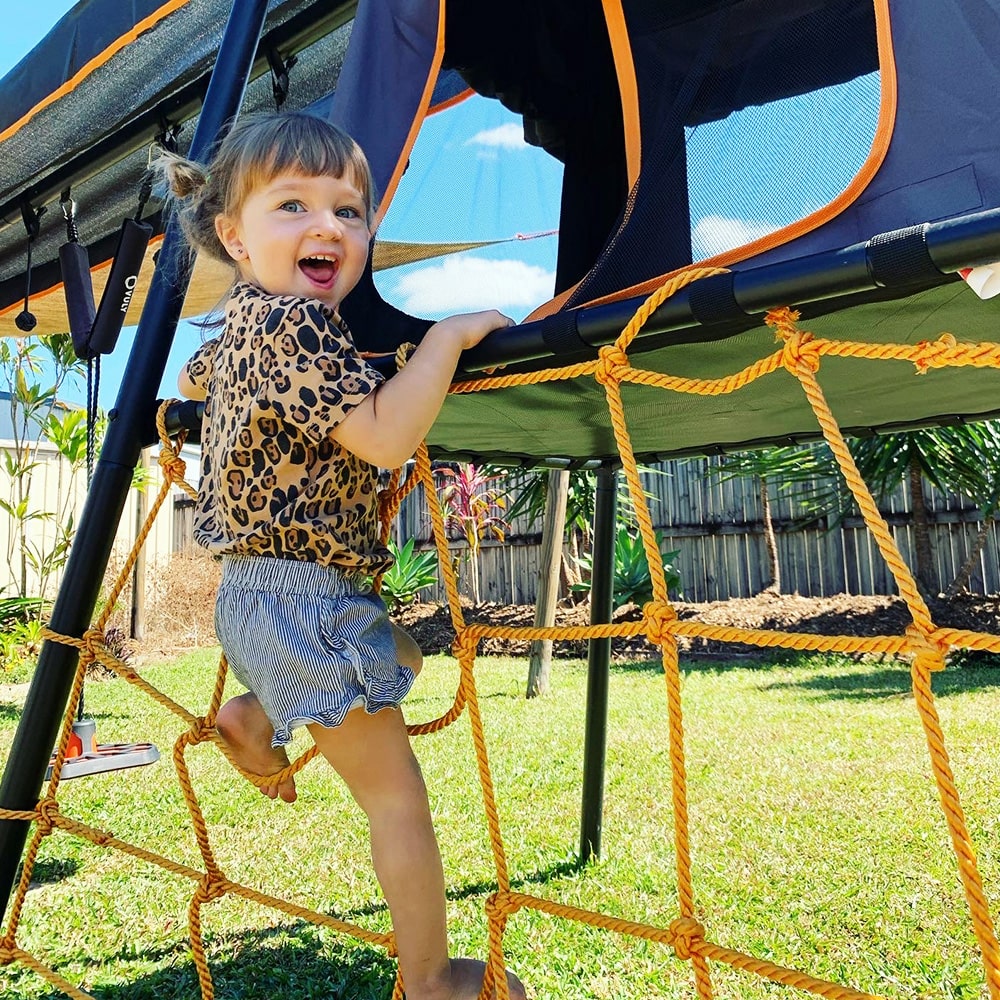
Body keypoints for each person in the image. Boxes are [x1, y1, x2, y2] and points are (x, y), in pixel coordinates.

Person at [164, 111, 524, 1000]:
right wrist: (441, 339)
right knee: (398, 799)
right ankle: (435, 978)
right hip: (307, 601)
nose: (329, 226)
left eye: (350, 210)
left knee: (403, 653)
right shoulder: (299, 327)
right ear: (232, 236)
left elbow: (193, 382)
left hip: (256, 601)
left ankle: (255, 713)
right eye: (293, 206)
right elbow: (385, 435)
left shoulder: (240, 324)